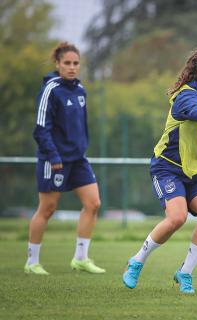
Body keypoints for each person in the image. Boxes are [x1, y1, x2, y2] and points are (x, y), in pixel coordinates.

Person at [122, 48, 197, 294]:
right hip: (168, 168)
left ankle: (185, 273)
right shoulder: (185, 96)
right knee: (176, 218)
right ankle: (137, 261)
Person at [25, 42, 105, 275]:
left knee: (93, 204)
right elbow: (40, 129)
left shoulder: (80, 90)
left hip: (78, 159)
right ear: (57, 64)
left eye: (76, 63)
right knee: (47, 209)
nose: (72, 67)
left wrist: (81, 149)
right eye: (67, 63)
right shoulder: (50, 89)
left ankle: (81, 258)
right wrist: (53, 156)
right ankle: (32, 262)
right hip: (55, 160)